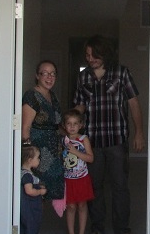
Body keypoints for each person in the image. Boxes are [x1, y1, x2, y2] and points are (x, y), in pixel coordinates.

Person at [72, 35, 144, 234]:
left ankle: (122, 228)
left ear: (104, 53)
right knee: (95, 187)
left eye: (94, 54)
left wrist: (139, 133)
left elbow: (134, 104)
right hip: (91, 143)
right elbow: (79, 107)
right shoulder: (83, 77)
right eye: (87, 55)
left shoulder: (121, 73)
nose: (90, 58)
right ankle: (98, 228)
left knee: (120, 187)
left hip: (117, 141)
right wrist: (69, 128)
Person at [21, 60, 64, 201]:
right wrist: (28, 155)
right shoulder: (31, 96)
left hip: (54, 151)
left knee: (51, 192)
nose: (49, 77)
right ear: (37, 76)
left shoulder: (54, 96)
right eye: (45, 73)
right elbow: (25, 127)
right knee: (37, 190)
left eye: (53, 74)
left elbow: (56, 124)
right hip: (38, 152)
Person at [61, 109, 95, 234]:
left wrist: (76, 152)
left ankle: (81, 232)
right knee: (70, 206)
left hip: (82, 178)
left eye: (75, 123)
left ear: (81, 125)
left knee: (82, 205)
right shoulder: (63, 140)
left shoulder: (83, 139)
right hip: (68, 178)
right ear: (64, 126)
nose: (72, 127)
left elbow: (90, 158)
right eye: (69, 123)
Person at [21, 144, 47, 234]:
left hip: (30, 206)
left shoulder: (24, 172)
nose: (39, 160)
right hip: (30, 207)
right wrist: (40, 191)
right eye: (37, 158)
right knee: (31, 226)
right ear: (30, 160)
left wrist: (38, 186)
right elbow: (29, 190)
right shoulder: (27, 175)